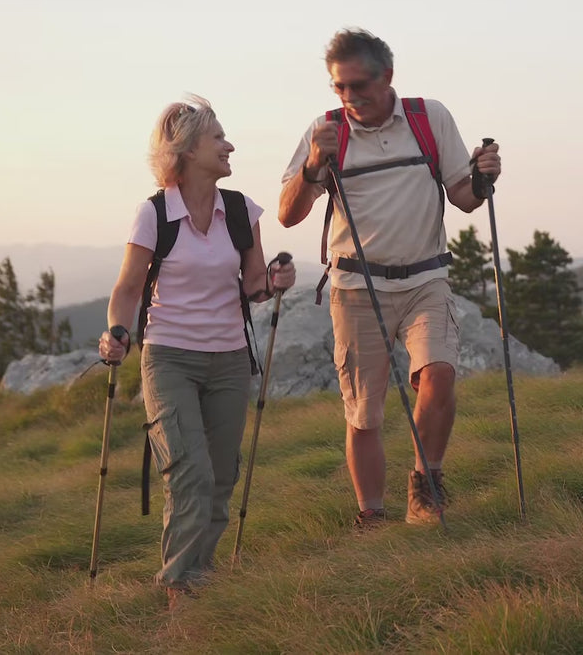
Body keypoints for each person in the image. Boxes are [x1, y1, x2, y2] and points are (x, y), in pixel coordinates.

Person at [277, 29, 501, 528]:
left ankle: (426, 483)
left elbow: (463, 196)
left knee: (439, 376)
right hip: (356, 288)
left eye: (360, 85)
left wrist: (483, 177)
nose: (350, 97)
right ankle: (372, 518)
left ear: (388, 77)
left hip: (426, 278)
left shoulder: (428, 117)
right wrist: (315, 163)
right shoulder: (326, 129)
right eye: (340, 87)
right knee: (364, 414)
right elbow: (288, 214)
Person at [98, 95, 296, 605]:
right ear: (186, 151)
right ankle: (180, 589)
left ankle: (198, 581)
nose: (229, 146)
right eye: (218, 138)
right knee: (190, 473)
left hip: (230, 359)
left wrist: (272, 281)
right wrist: (115, 332)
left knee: (220, 480)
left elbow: (252, 283)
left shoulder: (239, 210)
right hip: (168, 359)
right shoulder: (155, 214)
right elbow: (127, 289)